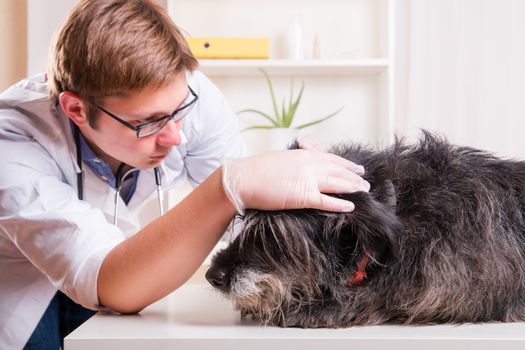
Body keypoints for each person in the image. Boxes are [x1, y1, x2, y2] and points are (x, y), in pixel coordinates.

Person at [0, 0, 369, 348]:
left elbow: (240, 225)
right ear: (77, 110)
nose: (175, 135)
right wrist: (227, 186)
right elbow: (111, 285)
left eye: (178, 111)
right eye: (147, 122)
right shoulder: (13, 144)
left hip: (115, 265)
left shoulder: (187, 96)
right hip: (24, 290)